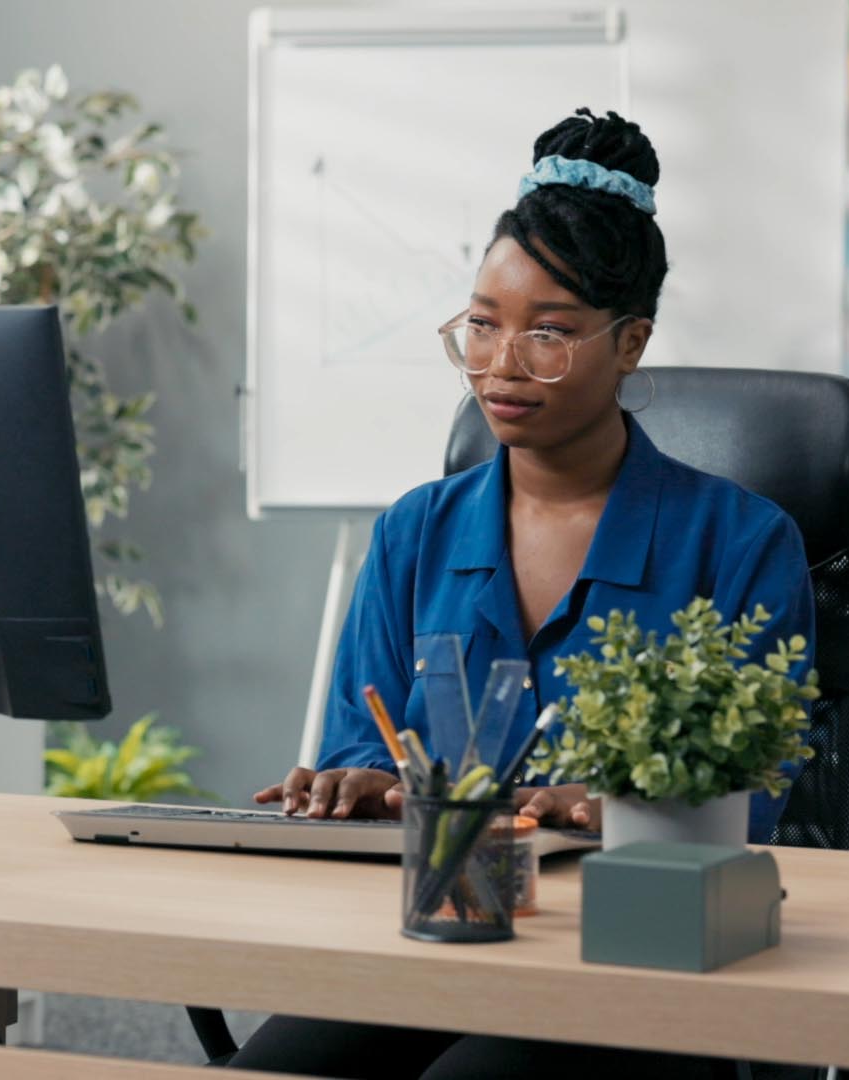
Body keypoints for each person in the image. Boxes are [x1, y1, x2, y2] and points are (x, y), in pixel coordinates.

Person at [234, 110, 816, 1078]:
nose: (500, 365)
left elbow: (754, 798)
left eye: (550, 334)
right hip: (438, 931)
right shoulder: (414, 531)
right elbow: (356, 745)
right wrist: (359, 785)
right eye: (482, 326)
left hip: (640, 964)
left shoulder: (743, 542)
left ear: (630, 345)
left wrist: (624, 805)